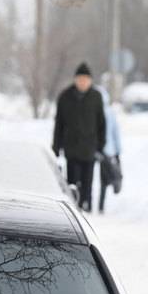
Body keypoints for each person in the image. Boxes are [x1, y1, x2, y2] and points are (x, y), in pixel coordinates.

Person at [52, 62, 106, 212]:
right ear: (75, 79)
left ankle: (86, 205)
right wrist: (56, 147)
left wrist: (101, 146)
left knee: (88, 181)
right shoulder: (65, 96)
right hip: (72, 148)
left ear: (90, 80)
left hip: (90, 148)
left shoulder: (96, 97)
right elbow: (59, 124)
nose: (82, 82)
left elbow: (102, 123)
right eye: (80, 79)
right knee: (72, 181)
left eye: (85, 79)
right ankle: (73, 208)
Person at [95, 86, 123, 213]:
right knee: (103, 179)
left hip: (97, 149)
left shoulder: (97, 111)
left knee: (100, 178)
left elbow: (114, 132)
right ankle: (100, 206)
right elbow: (116, 133)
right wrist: (117, 151)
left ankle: (93, 205)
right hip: (108, 150)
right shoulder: (109, 112)